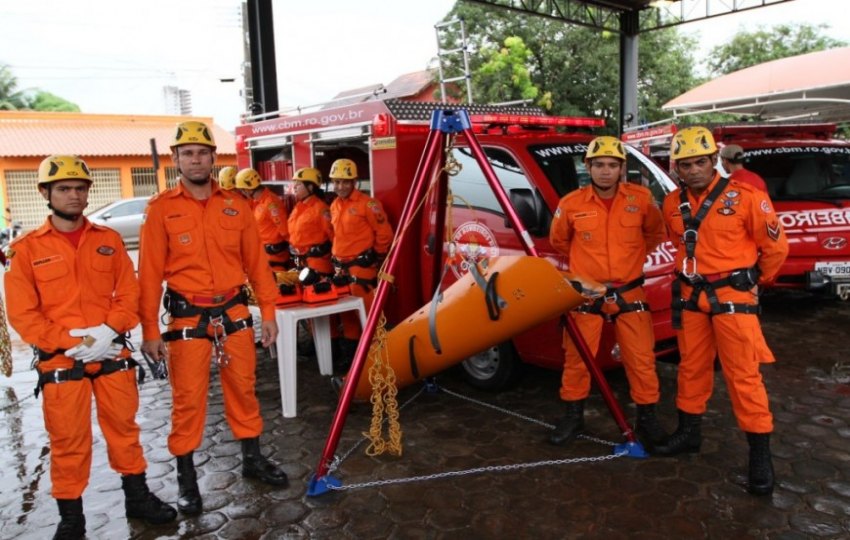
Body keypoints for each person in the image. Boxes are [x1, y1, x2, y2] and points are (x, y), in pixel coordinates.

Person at [5, 155, 176, 538]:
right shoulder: (26, 250)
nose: (73, 195)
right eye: (64, 188)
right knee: (68, 440)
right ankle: (72, 518)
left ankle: (137, 498)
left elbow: (128, 293)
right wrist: (75, 343)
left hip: (112, 354)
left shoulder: (108, 240)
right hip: (61, 361)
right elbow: (24, 315)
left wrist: (107, 331)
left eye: (80, 189)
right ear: (45, 193)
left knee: (125, 430)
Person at [138, 121, 288, 517]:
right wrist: (150, 330)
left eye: (202, 152)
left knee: (244, 389)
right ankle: (187, 481)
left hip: (235, 312)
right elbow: (150, 275)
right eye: (187, 153)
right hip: (187, 319)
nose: (195, 159)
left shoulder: (236, 205)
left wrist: (268, 312)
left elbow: (257, 263)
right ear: (176, 160)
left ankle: (252, 461)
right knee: (188, 401)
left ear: (212, 158)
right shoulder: (161, 210)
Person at [657, 126, 789, 496]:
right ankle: (689, 433)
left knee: (743, 376)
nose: (694, 170)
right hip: (691, 298)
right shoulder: (671, 204)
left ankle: (760, 454)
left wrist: (753, 281)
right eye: (686, 164)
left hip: (734, 300)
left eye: (701, 162)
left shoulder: (747, 197)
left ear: (714, 160)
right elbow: (677, 245)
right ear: (676, 167)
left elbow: (776, 249)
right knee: (691, 367)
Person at [547, 136, 668, 450]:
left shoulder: (641, 199)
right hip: (586, 295)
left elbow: (654, 234)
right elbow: (559, 241)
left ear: (621, 168)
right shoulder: (571, 203)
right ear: (588, 167)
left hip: (630, 291)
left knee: (641, 360)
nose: (605, 171)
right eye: (598, 164)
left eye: (612, 165)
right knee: (577, 360)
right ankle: (574, 416)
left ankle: (647, 418)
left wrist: (630, 260)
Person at [329, 158, 394, 367]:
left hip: (361, 268)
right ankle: (352, 360)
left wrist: (376, 256)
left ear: (354, 181)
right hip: (341, 268)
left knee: (367, 314)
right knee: (346, 313)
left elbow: (384, 233)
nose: (340, 186)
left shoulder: (368, 204)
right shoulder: (334, 205)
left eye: (345, 182)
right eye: (337, 182)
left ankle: (377, 359)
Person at [235, 167, 292, 271]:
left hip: (275, 257)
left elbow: (284, 230)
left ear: (248, 189)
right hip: (263, 256)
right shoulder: (257, 202)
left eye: (242, 190)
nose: (242, 193)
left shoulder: (270, 203)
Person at [288, 167, 334, 278]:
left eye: (298, 184)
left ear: (310, 187)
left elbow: (333, 236)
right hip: (301, 264)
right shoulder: (298, 207)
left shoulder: (321, 209)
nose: (294, 187)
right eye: (294, 183)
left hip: (318, 265)